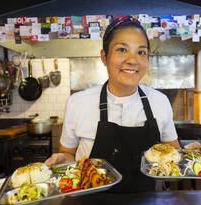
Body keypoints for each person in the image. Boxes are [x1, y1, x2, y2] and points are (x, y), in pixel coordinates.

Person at [45, 16, 179, 192]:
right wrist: (63, 160)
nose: (133, 60)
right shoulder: (78, 103)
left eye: (141, 52)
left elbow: (173, 153)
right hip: (89, 204)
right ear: (104, 56)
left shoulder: (160, 101)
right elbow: (68, 153)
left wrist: (190, 154)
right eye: (122, 49)